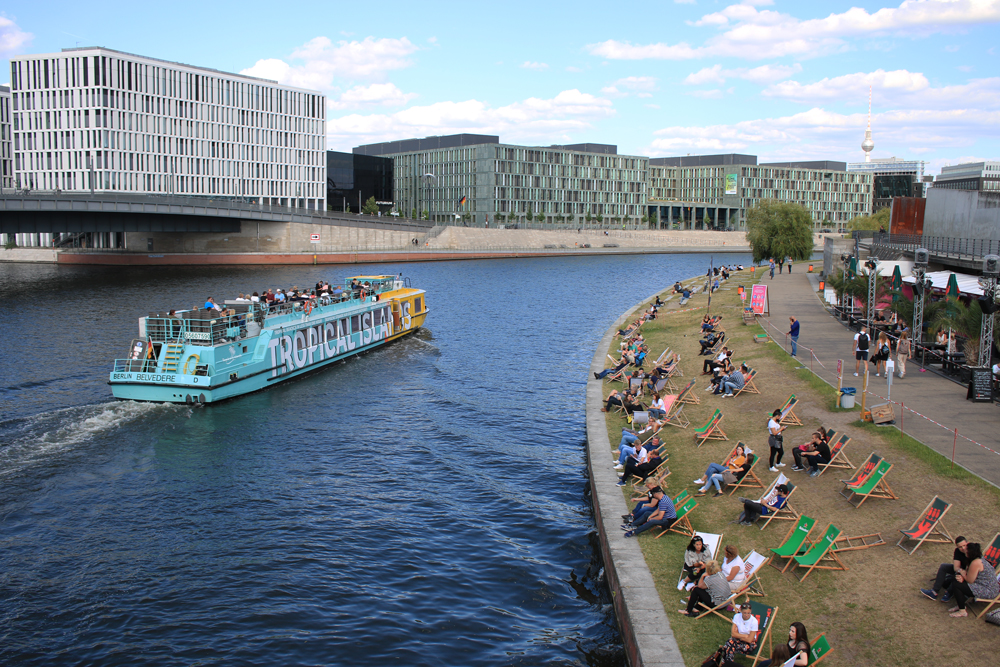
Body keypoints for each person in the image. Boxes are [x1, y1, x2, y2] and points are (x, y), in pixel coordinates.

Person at [943, 542, 999, 617]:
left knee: (957, 584)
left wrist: (962, 574)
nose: (964, 551)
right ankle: (961, 604)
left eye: (966, 550)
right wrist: (963, 576)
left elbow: (970, 580)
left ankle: (962, 611)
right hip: (982, 584)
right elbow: (970, 574)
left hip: (988, 590)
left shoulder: (976, 563)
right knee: (956, 578)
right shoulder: (977, 558)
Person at [921, 536, 970, 603]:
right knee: (944, 567)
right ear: (957, 547)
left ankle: (949, 593)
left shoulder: (972, 550)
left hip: (970, 573)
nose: (963, 548)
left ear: (968, 543)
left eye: (964, 545)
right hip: (962, 570)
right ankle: (934, 592)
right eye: (960, 547)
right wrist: (961, 571)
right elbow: (956, 567)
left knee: (957, 574)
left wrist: (963, 573)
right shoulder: (957, 551)